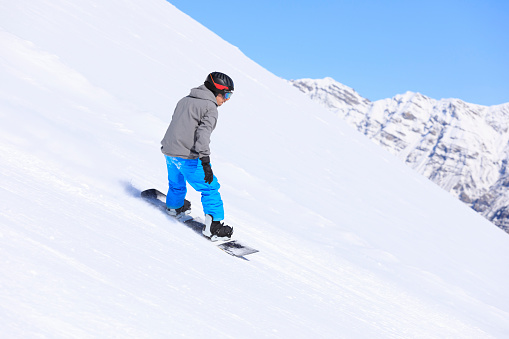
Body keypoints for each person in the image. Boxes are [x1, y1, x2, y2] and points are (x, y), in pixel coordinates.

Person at [160, 72, 234, 241]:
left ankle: (174, 207)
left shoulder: (184, 100)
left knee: (176, 183)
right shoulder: (210, 108)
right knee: (210, 188)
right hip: (187, 155)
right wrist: (205, 162)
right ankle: (213, 227)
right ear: (217, 90)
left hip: (169, 151)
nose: (227, 99)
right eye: (227, 94)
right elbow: (203, 135)